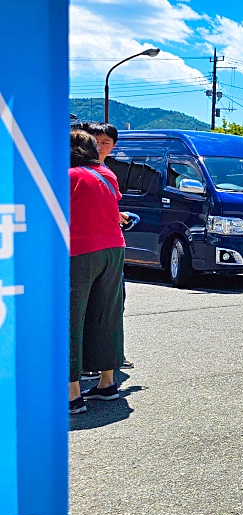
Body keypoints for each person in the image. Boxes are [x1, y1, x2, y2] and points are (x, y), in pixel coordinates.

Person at [68, 129, 126, 415]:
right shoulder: (107, 175)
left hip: (79, 251)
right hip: (114, 249)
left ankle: (71, 394)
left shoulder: (69, 176)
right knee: (107, 315)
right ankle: (107, 382)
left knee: (70, 318)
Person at [79, 122, 134, 375]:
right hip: (110, 246)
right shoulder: (99, 173)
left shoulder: (99, 172)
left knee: (106, 306)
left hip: (89, 247)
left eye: (105, 143)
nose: (99, 146)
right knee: (99, 308)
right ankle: (102, 367)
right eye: (95, 141)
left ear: (113, 147)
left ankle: (103, 360)